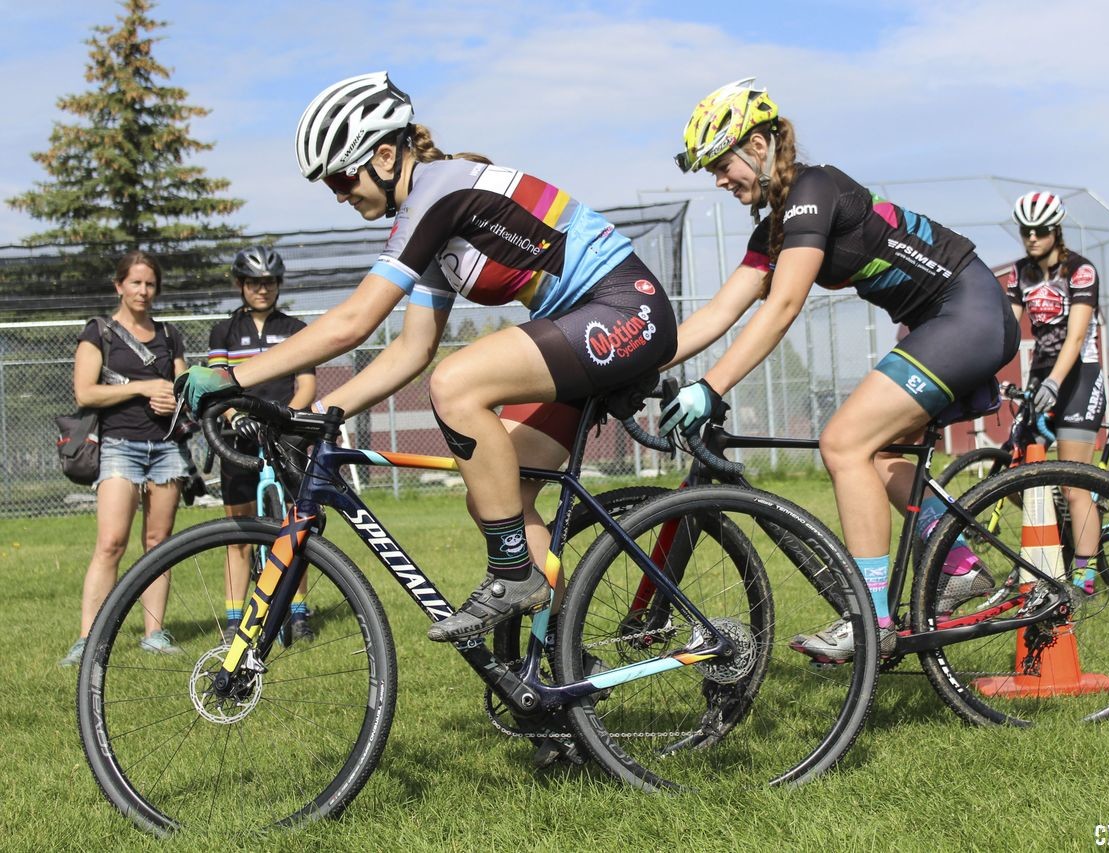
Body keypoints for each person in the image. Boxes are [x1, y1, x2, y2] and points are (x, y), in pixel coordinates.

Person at [176, 71, 676, 642]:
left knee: (457, 384)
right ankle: (561, 668)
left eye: (341, 177)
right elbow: (410, 349)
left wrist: (232, 376)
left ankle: (513, 576)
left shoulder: (439, 190)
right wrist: (317, 414)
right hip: (583, 323)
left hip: (623, 308)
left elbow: (355, 320)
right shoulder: (436, 219)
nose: (339, 194)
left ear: (385, 155)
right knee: (500, 498)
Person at [660, 78, 1019, 661]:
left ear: (757, 145)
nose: (719, 181)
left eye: (721, 165)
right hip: (938, 321)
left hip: (967, 309)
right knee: (875, 456)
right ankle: (960, 567)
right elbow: (721, 313)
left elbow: (782, 306)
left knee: (844, 442)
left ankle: (869, 618)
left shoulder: (813, 189)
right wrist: (631, 367)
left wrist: (711, 385)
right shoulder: (774, 227)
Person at [60, 251, 188, 666]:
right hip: (118, 446)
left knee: (158, 544)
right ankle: (87, 638)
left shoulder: (170, 335)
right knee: (111, 543)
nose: (143, 291)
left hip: (166, 449)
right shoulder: (100, 332)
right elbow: (86, 392)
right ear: (119, 286)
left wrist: (175, 400)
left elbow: (183, 389)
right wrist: (143, 387)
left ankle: (155, 633)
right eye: (135, 283)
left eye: (150, 284)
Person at [208, 246, 317, 644]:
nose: (262, 289)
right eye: (254, 282)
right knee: (237, 532)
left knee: (293, 528)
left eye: (269, 282)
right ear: (241, 285)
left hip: (284, 435)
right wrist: (234, 417)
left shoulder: (295, 328)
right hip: (237, 437)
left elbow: (306, 385)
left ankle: (299, 612)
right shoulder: (224, 331)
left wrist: (283, 419)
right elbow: (219, 380)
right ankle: (236, 619)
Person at [1004, 191, 1103, 593]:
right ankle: (1046, 552)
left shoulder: (1080, 271)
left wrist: (1054, 383)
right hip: (1042, 376)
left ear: (1055, 230)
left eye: (1040, 231)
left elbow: (1076, 336)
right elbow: (1007, 333)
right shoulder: (1020, 273)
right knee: (1018, 478)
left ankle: (1084, 572)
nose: (1031, 238)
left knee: (1073, 485)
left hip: (1079, 376)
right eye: (1025, 231)